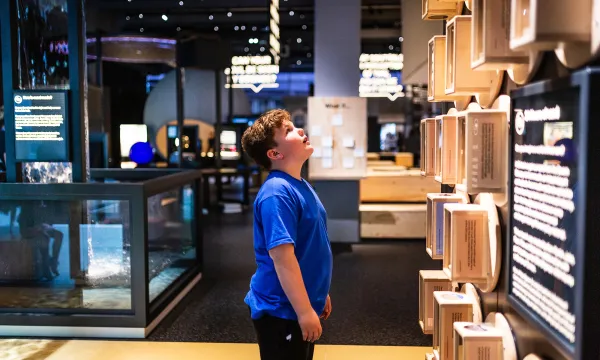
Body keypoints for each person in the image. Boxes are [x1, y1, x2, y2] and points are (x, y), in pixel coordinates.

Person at [241, 109, 333, 360]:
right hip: (281, 310)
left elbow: (310, 245)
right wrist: (304, 312)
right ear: (275, 154)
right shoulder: (277, 193)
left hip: (297, 302)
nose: (300, 130)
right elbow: (283, 259)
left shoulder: (299, 184)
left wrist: (319, 291)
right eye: (289, 130)